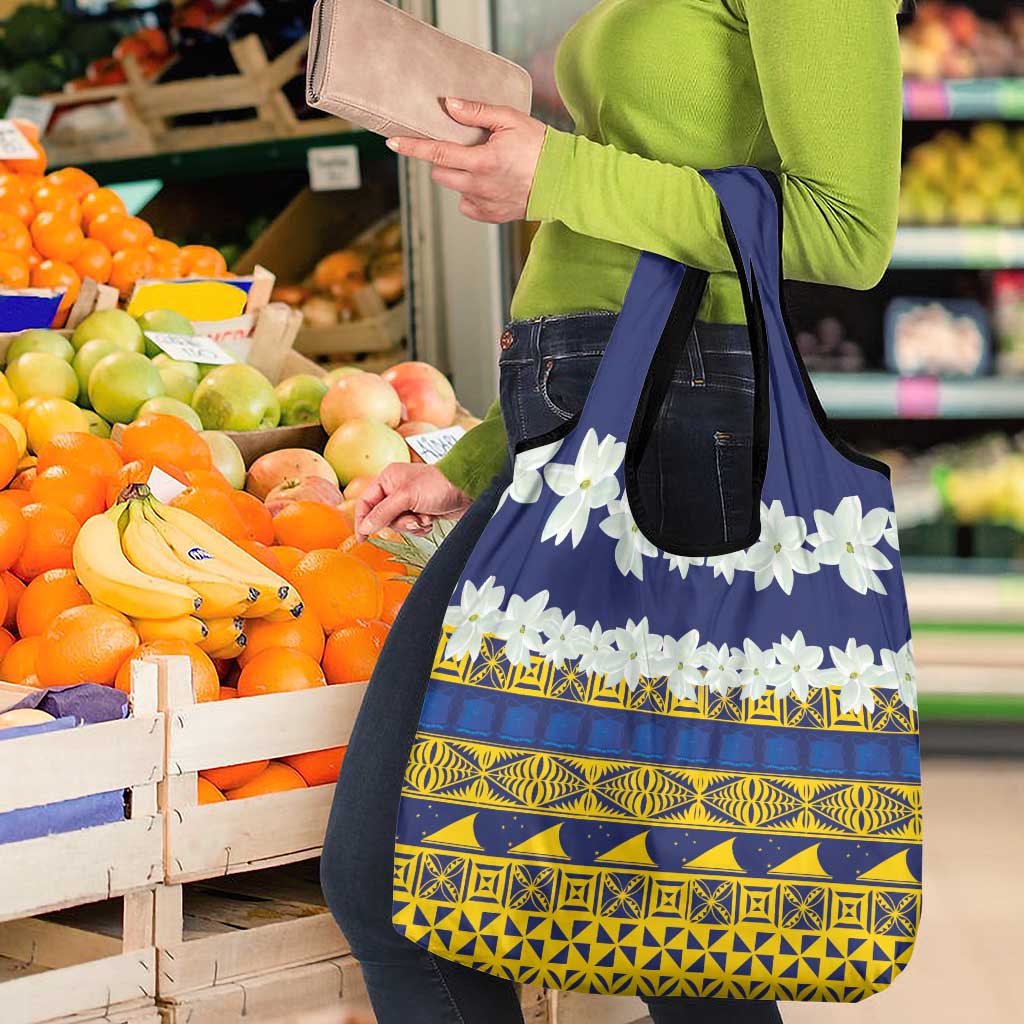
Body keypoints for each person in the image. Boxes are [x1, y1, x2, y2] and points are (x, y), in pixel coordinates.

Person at [321, 2, 905, 1022]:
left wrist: (556, 172)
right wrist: (480, 458)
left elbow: (848, 231)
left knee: (648, 919)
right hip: (586, 436)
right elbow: (621, 241)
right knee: (676, 922)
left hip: (676, 441)